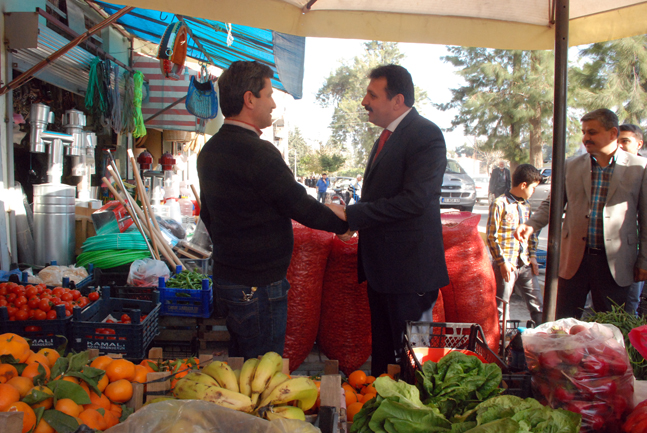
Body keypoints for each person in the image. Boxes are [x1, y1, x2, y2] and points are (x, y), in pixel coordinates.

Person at [196, 61, 348, 359]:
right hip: (258, 287)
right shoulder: (259, 152)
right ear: (249, 99)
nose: (274, 103)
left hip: (228, 278)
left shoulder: (209, 151)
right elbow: (298, 204)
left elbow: (208, 215)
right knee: (262, 370)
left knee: (241, 363)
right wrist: (342, 224)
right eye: (268, 94)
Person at [327, 64, 449, 376]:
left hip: (410, 274)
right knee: (384, 360)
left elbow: (415, 200)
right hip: (384, 272)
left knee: (413, 362)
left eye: (372, 94)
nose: (364, 101)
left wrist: (353, 215)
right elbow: (381, 197)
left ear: (397, 100)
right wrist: (350, 221)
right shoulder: (387, 137)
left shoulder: (426, 135)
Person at [516, 109, 647, 319]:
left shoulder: (639, 168)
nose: (586, 138)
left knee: (610, 327)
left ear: (613, 133)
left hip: (615, 263)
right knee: (565, 323)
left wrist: (644, 260)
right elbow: (553, 204)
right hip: (574, 261)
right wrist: (531, 225)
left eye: (592, 132)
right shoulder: (570, 166)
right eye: (584, 132)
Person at [487, 164, 544, 325]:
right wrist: (502, 262)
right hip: (506, 265)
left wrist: (532, 256)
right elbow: (492, 237)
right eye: (533, 188)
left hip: (525, 263)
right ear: (523, 185)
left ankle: (542, 337)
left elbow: (531, 234)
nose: (533, 192)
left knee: (537, 304)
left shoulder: (526, 206)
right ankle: (503, 344)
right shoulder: (500, 204)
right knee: (502, 306)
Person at [618, 124, 646, 315]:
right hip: (616, 255)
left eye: (625, 141)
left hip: (638, 255)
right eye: (617, 141)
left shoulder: (643, 170)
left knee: (630, 305)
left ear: (639, 144)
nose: (620, 146)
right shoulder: (611, 171)